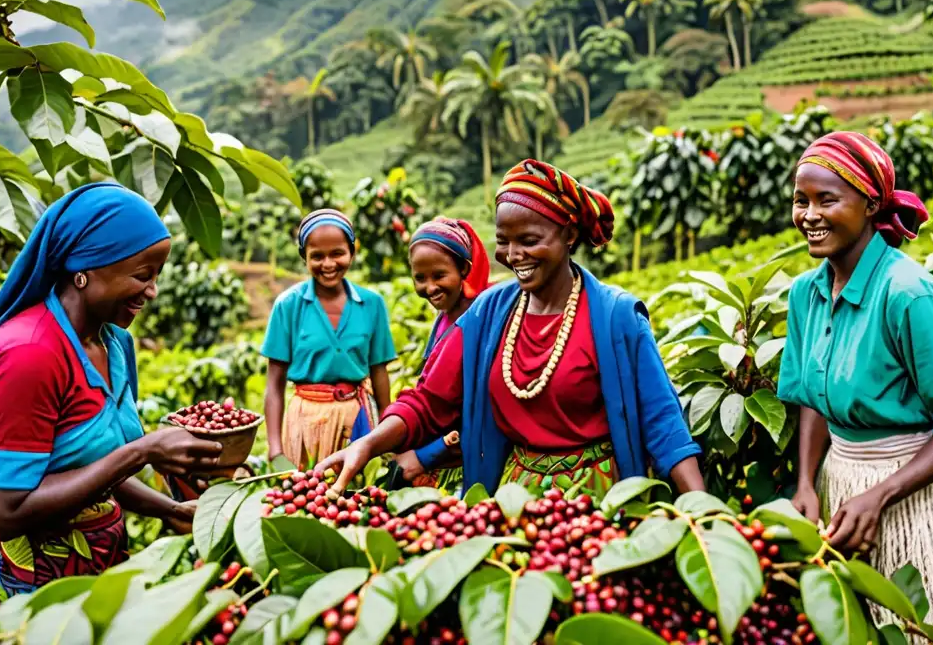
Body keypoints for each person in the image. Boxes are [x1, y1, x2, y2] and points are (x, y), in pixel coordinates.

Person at [315, 159, 705, 501]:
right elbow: (429, 402)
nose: (514, 255)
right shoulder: (488, 312)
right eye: (503, 242)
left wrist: (703, 513)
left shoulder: (615, 317)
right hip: (511, 496)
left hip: (599, 497)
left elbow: (664, 426)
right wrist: (367, 445)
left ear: (569, 235)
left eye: (529, 241)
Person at [778, 131, 933, 643]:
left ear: (871, 204)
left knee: (930, 625)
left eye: (827, 200)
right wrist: (808, 484)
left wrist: (880, 496)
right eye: (800, 200)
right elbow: (812, 400)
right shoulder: (806, 294)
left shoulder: (913, 296)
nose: (809, 215)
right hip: (843, 488)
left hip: (920, 497)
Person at [0, 183, 224, 606]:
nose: (152, 292)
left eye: (156, 276)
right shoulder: (28, 353)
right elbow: (8, 510)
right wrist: (141, 452)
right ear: (84, 269)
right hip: (28, 583)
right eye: (142, 275)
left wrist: (169, 509)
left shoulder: (114, 343)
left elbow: (90, 469)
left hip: (97, 563)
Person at [262, 209, 397, 470]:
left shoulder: (372, 305)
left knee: (356, 500)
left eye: (337, 253)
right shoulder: (288, 306)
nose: (328, 264)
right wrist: (275, 448)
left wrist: (386, 432)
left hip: (355, 419)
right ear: (304, 258)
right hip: (304, 423)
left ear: (352, 252)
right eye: (317, 256)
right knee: (306, 499)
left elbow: (379, 373)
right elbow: (274, 384)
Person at [391, 217, 490, 491]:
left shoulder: (480, 320)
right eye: (420, 278)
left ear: (464, 269)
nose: (430, 287)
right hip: (444, 449)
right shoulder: (444, 318)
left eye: (439, 275)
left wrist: (424, 454)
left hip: (470, 456)